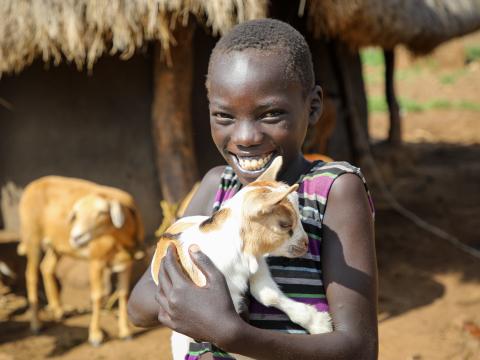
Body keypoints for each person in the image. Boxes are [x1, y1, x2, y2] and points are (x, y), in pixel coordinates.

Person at [127, 18, 378, 360]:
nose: (245, 138)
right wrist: (197, 291)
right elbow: (139, 307)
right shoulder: (216, 186)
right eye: (225, 117)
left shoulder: (334, 191)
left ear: (314, 106)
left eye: (271, 114)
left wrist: (230, 332)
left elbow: (359, 349)